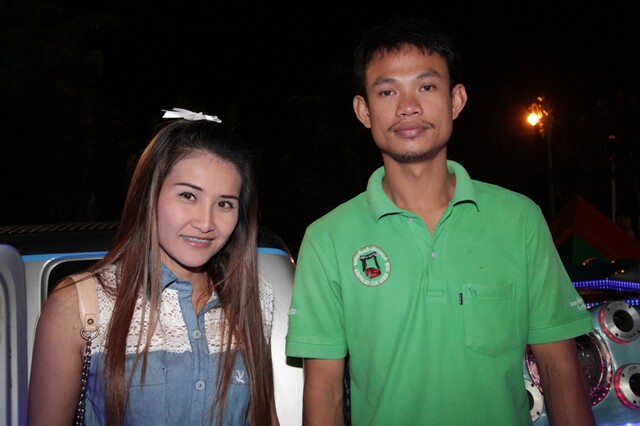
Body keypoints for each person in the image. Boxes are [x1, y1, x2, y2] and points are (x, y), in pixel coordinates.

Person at [285, 17, 596, 425]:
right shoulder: (327, 238)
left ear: (456, 100)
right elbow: (323, 391)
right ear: (363, 110)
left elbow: (559, 369)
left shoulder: (520, 220)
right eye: (387, 91)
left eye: (427, 87)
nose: (408, 106)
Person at [28, 108, 279, 425]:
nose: (206, 222)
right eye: (188, 195)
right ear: (150, 194)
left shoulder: (252, 299)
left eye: (225, 203)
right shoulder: (78, 305)